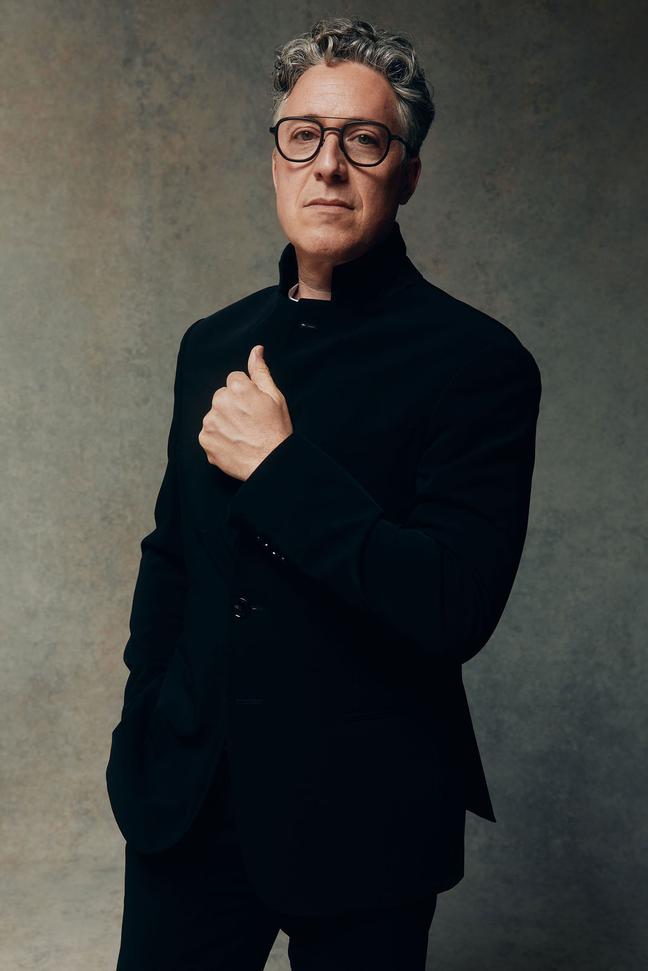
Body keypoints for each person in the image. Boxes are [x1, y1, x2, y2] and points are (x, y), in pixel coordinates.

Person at [107, 16, 542, 971]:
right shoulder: (210, 345)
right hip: (189, 801)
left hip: (367, 822)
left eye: (364, 140)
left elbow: (451, 602)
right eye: (303, 136)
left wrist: (280, 468)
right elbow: (172, 558)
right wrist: (143, 725)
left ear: (407, 173)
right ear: (276, 162)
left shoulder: (480, 364)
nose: (328, 166)